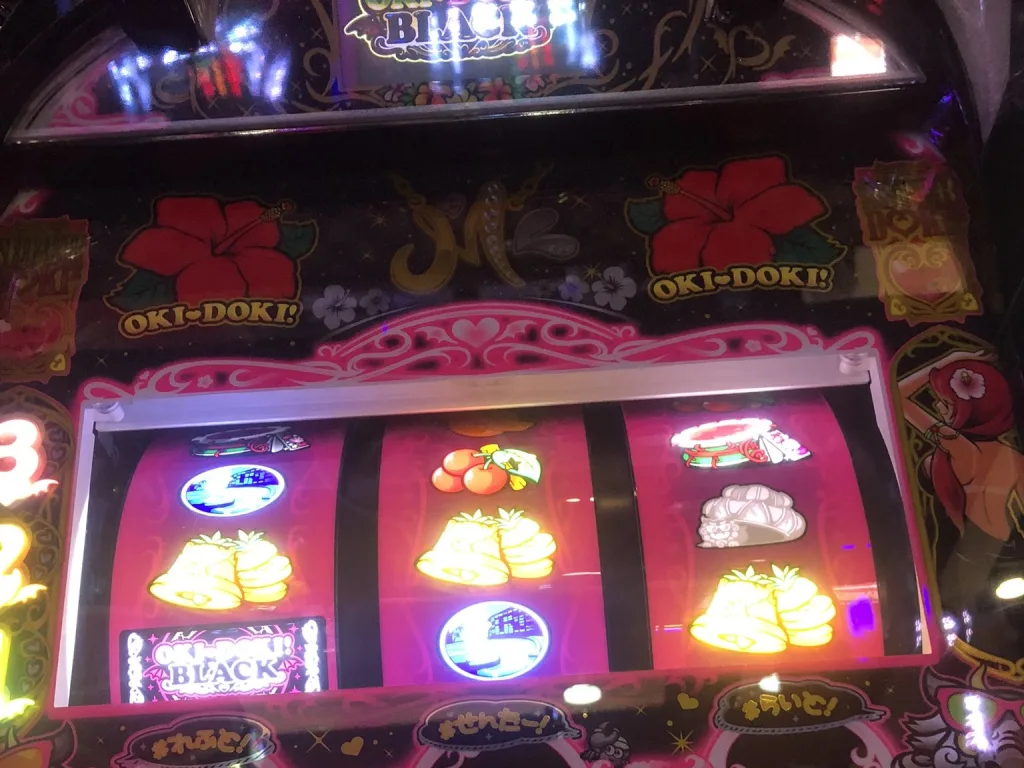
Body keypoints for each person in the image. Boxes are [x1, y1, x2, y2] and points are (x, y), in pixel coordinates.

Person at [897, 348, 1022, 544]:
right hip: (1009, 546)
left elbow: (897, 395)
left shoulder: (963, 448)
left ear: (967, 409)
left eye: (946, 403)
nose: (938, 407)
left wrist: (950, 358)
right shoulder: (1016, 457)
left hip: (977, 549)